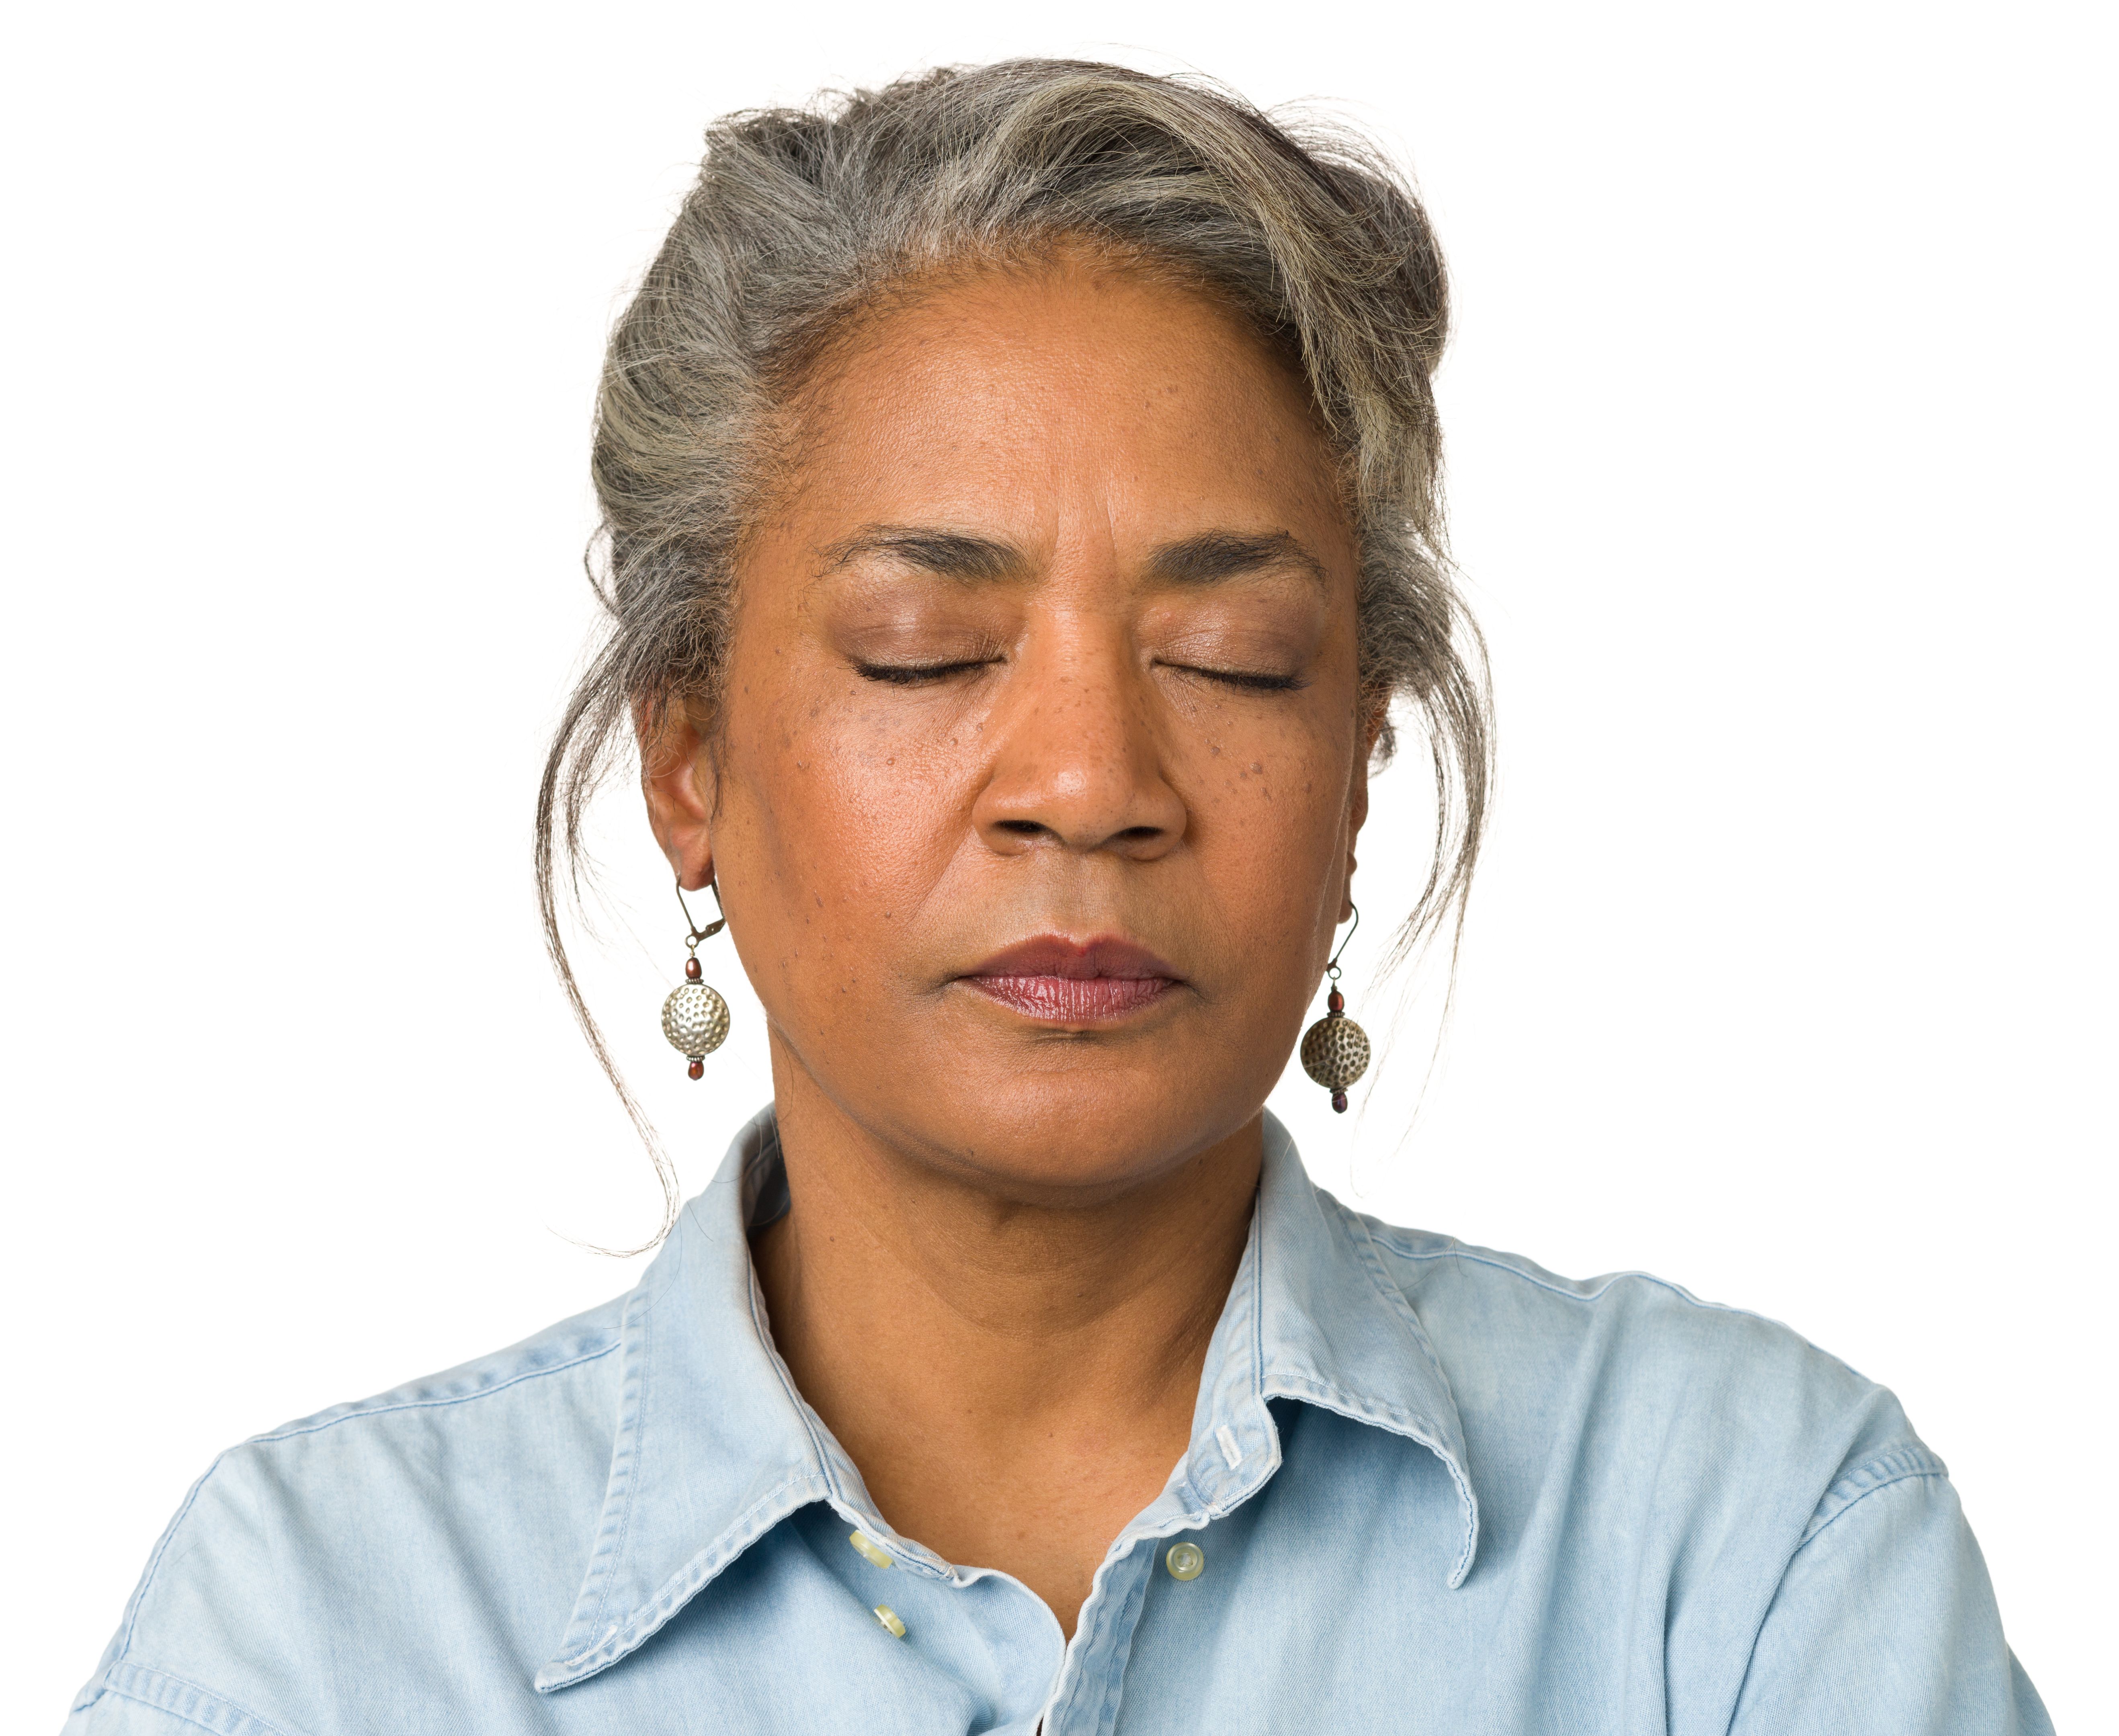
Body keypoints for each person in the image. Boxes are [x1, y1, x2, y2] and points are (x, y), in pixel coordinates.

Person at [64, 58, 2049, 1735]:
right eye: (928, 650)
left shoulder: (1748, 1545)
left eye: (1237, 660)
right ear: (691, 764)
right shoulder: (326, 1629)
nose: (1091, 787)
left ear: (1360, 760)